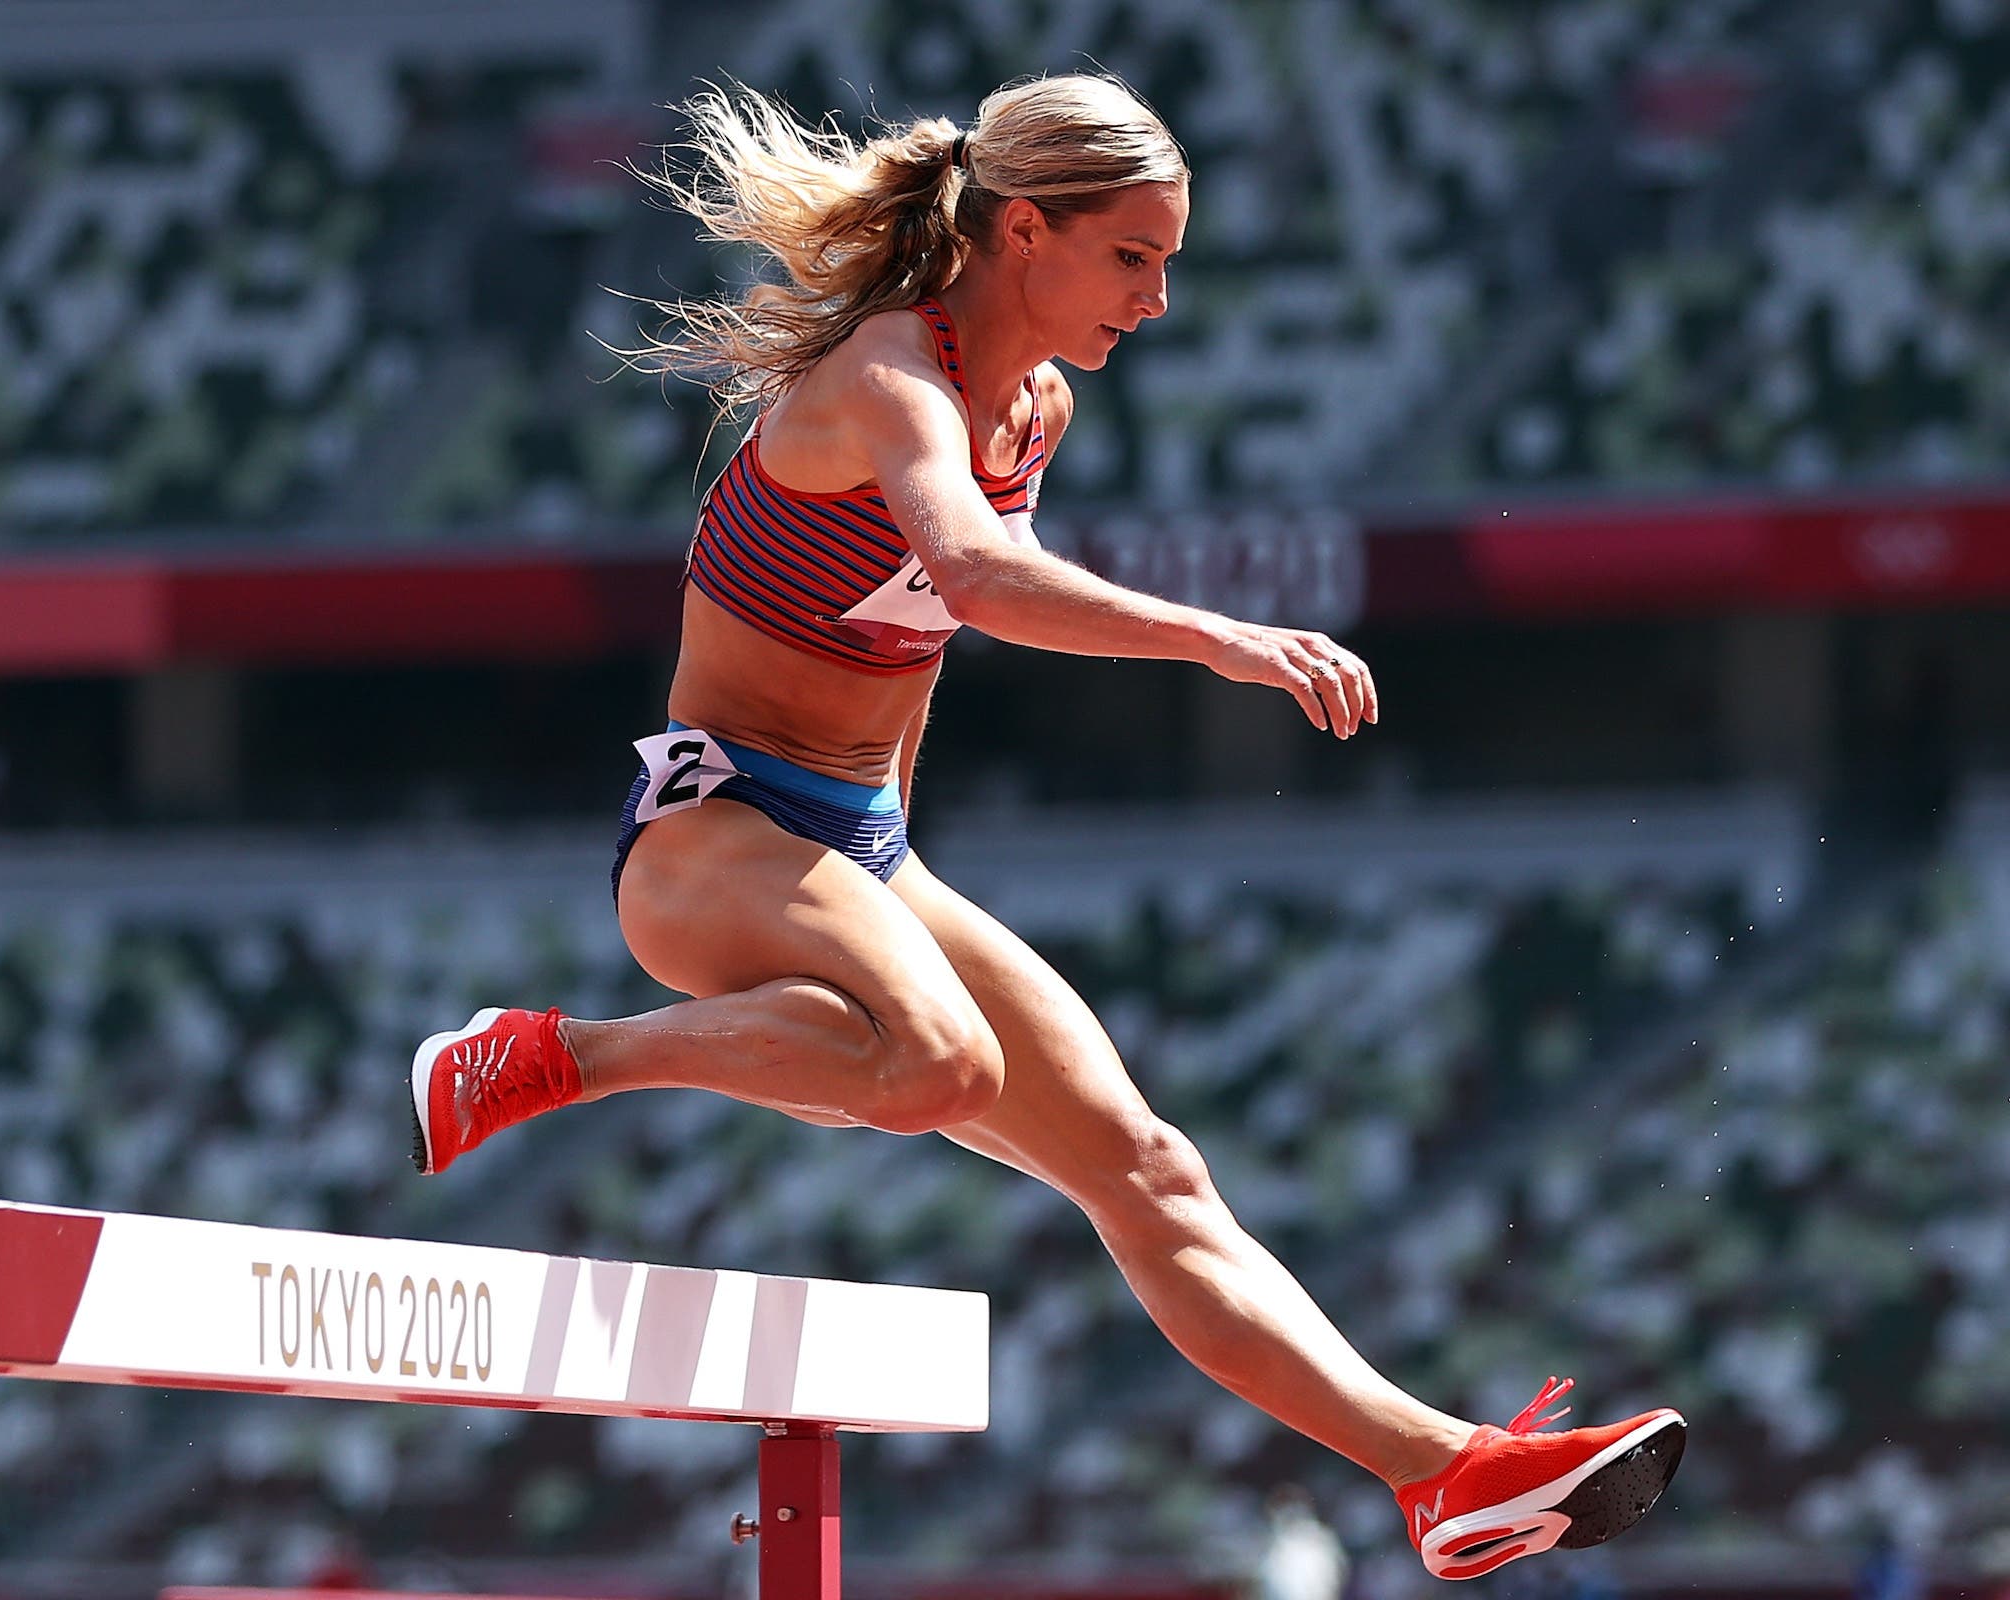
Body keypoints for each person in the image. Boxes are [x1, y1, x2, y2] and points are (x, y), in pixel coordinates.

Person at [406, 72, 1685, 1580]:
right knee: (946, 1061)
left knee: (1150, 1169)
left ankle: (1443, 1476)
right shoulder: (894, 374)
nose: (1156, 301)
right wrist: (1220, 637)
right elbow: (978, 580)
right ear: (1025, 231)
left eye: (1170, 262)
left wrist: (889, 858)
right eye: (1133, 258)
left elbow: (915, 648)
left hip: (857, 843)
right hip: (716, 835)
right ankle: (555, 1055)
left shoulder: (1038, 405)